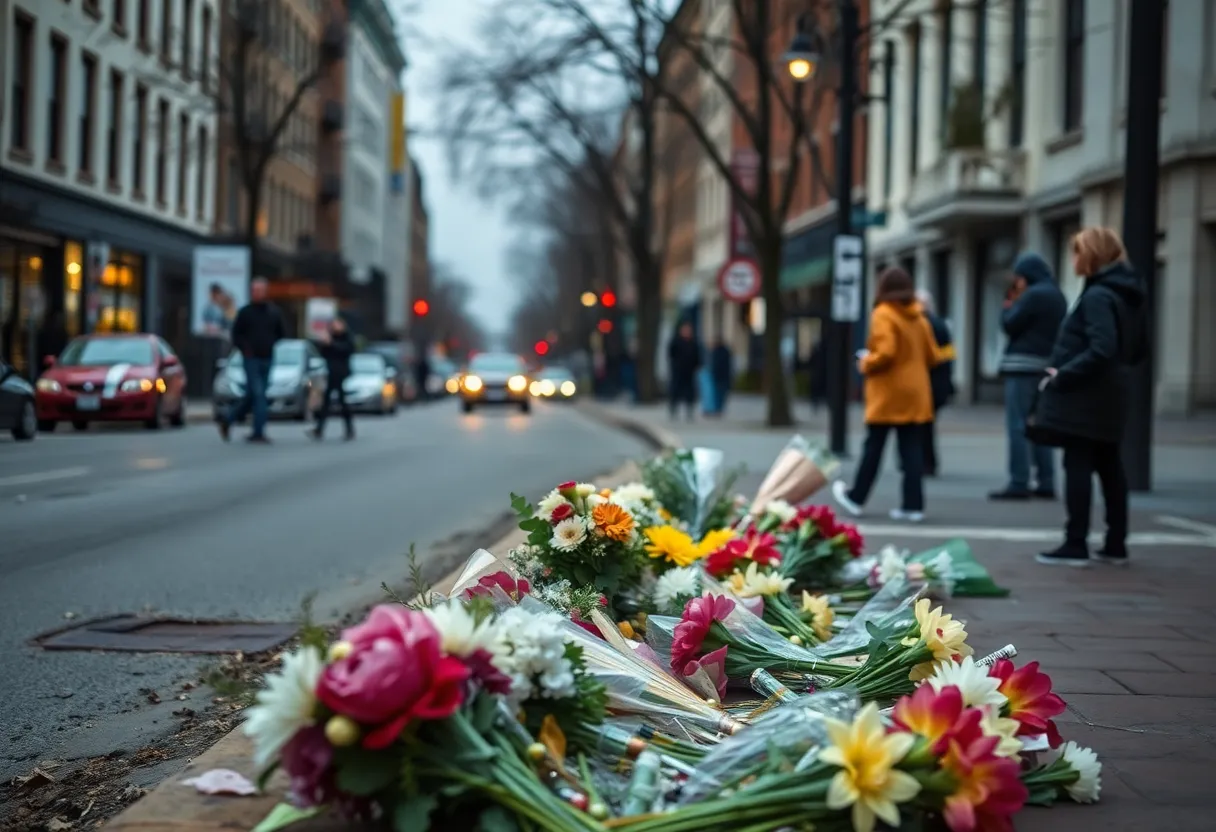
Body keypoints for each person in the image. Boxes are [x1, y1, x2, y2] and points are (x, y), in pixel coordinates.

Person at [1032, 227, 1146, 568]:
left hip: (1086, 397)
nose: (1074, 259)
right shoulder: (1128, 294)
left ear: (1093, 256)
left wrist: (1063, 373)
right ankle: (1115, 544)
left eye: (1078, 252)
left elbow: (1102, 347)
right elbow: (1137, 349)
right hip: (1112, 394)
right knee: (1110, 465)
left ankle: (1075, 542)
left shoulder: (1097, 296)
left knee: (1078, 463)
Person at [831, 267, 948, 523]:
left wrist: (865, 362)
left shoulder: (884, 314)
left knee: (874, 445)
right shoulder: (919, 316)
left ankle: (856, 497)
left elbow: (886, 352)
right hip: (916, 392)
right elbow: (934, 355)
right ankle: (913, 505)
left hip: (889, 392)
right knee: (911, 450)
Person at [990, 253, 1068, 501]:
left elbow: (1010, 324)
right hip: (1045, 365)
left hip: (1021, 365)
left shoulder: (1032, 295)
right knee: (1039, 425)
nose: (1017, 283)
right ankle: (1047, 480)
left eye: (1019, 278)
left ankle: (1019, 481)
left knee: (1017, 425)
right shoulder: (1058, 295)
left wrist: (1008, 304)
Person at [218, 277, 285, 444]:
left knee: (251, 395)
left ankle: (229, 419)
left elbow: (281, 332)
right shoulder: (245, 312)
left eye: (260, 290)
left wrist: (270, 343)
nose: (257, 293)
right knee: (259, 394)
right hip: (251, 358)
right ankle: (258, 432)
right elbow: (236, 335)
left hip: (267, 357)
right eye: (254, 290)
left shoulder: (273, 312)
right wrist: (246, 349)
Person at [916, 289, 955, 476]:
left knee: (922, 426)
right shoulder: (941, 325)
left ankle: (925, 462)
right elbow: (949, 356)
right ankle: (928, 462)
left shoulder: (921, 324)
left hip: (925, 382)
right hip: (938, 382)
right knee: (927, 426)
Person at [309, 317, 355, 441]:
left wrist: (332, 344)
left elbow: (347, 350)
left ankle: (347, 429)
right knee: (329, 401)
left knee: (338, 401)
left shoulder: (347, 338)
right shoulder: (330, 337)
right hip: (331, 371)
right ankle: (321, 429)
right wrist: (324, 343)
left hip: (340, 372)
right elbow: (324, 354)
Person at [667, 321, 702, 421]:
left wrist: (696, 366)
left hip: (689, 372)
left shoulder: (693, 343)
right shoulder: (676, 342)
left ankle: (689, 411)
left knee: (689, 392)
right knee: (675, 391)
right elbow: (671, 354)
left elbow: (697, 356)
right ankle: (673, 409)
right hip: (678, 371)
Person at [708, 337, 733, 417]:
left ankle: (718, 409)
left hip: (719, 375)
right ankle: (718, 409)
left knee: (718, 394)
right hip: (721, 376)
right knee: (720, 394)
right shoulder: (724, 352)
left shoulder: (718, 352)